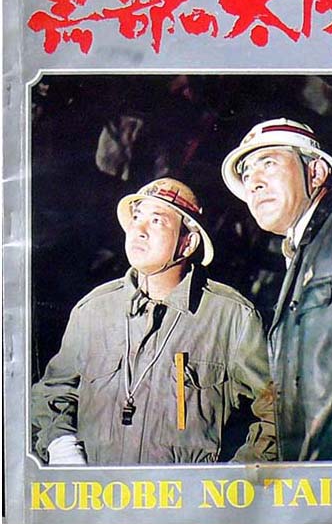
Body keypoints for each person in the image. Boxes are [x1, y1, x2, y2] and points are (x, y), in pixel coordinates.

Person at [32, 177, 276, 465]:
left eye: (157, 220)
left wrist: (234, 480)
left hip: (183, 495)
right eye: (136, 218)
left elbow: (277, 411)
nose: (139, 230)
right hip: (98, 491)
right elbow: (53, 392)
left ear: (187, 243)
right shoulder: (93, 311)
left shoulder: (231, 318)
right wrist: (61, 444)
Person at [221, 118, 332, 461]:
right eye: (247, 174)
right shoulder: (300, 258)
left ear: (316, 172)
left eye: (268, 163)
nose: (254, 183)